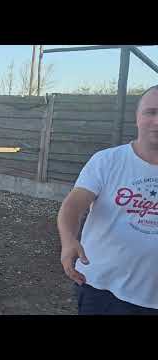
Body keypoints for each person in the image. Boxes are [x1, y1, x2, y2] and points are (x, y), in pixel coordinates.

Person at [57, 85, 158, 315]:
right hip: (101, 290)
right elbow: (73, 206)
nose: (157, 121)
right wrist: (68, 240)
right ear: (137, 117)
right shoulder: (107, 161)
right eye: (150, 112)